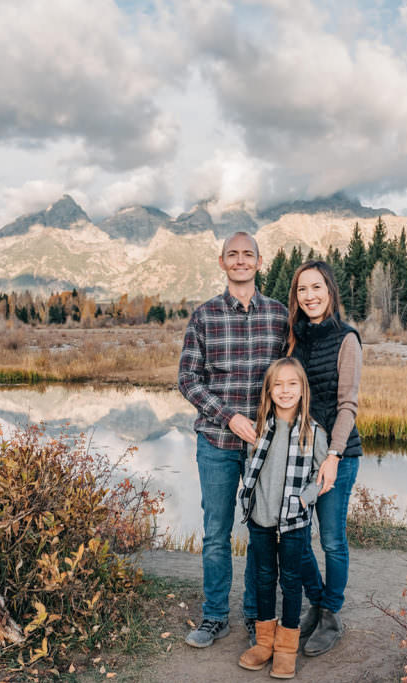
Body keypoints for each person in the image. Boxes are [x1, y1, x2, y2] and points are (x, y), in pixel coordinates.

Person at [178, 231, 289, 648]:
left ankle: (255, 617)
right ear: (222, 262)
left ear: (259, 262)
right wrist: (229, 417)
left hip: (267, 445)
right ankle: (214, 618)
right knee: (215, 533)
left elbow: (291, 377)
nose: (240, 260)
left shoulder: (279, 316)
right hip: (216, 444)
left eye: (248, 255)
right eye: (232, 255)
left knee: (263, 531)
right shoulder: (204, 316)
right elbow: (187, 379)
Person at [287, 260, 363, 656]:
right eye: (302, 289)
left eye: (316, 287)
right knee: (294, 537)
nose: (310, 296)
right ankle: (317, 601)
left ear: (330, 291)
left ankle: (331, 614)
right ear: (296, 297)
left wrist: (332, 455)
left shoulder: (347, 338)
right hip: (298, 456)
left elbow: (348, 405)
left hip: (338, 455)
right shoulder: (294, 337)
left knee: (332, 540)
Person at [237, 357, 328, 678]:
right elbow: (251, 468)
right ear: (269, 390)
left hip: (294, 523)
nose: (285, 390)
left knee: (291, 583)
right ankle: (265, 643)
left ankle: (287, 649)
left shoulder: (314, 432)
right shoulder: (259, 427)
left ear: (303, 389)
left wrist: (303, 501)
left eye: (293, 384)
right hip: (260, 519)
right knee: (263, 580)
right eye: (278, 384)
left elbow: (321, 474)